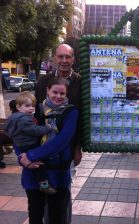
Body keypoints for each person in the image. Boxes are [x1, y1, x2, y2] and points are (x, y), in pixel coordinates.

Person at [17, 76, 79, 224]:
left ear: (66, 93)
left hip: (58, 172)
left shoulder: (71, 112)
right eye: (55, 92)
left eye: (62, 93)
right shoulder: (34, 109)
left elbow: (62, 140)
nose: (58, 96)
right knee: (35, 214)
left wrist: (31, 155)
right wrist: (22, 159)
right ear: (47, 91)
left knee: (58, 216)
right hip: (33, 172)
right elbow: (19, 135)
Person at [35, 43, 81, 223]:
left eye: (67, 57)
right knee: (44, 188)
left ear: (73, 59)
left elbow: (82, 117)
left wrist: (78, 146)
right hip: (42, 145)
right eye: (60, 56)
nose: (64, 61)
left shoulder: (80, 82)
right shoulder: (42, 82)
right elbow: (36, 112)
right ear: (54, 58)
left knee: (64, 190)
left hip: (67, 147)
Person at [4, 91, 56, 194]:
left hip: (21, 144)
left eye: (33, 106)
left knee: (33, 162)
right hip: (29, 144)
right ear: (18, 107)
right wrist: (48, 127)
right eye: (27, 106)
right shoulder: (24, 120)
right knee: (40, 164)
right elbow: (35, 130)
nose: (31, 108)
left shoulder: (14, 118)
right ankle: (44, 184)